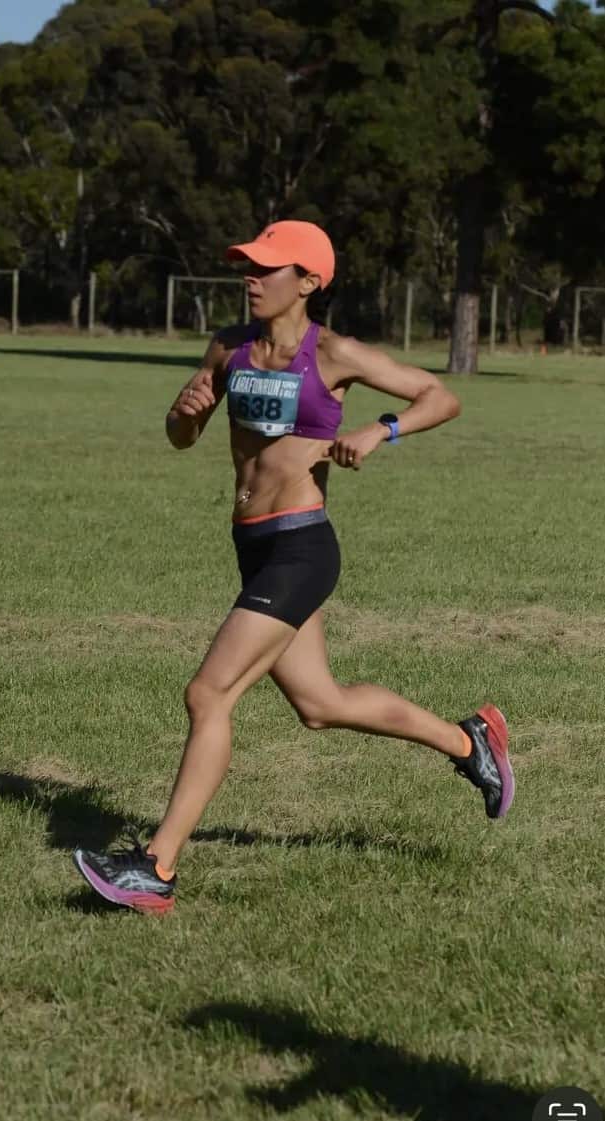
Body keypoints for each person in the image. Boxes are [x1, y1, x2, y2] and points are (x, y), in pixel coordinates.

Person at [73, 220, 515, 914]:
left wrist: (379, 430)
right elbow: (182, 435)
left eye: (266, 268)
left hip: (302, 548)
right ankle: (469, 741)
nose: (251, 279)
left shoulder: (332, 353)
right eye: (247, 267)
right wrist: (184, 413)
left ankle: (156, 868)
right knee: (320, 704)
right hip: (252, 545)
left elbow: (440, 396)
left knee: (208, 694)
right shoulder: (229, 347)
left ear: (308, 281)